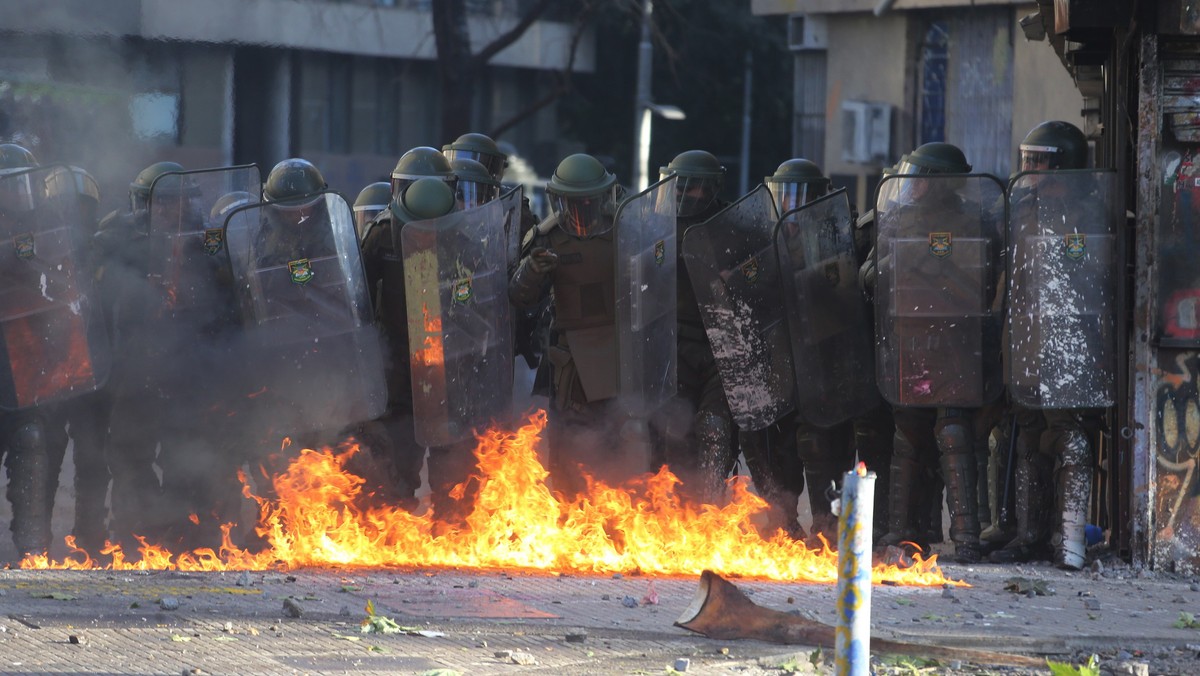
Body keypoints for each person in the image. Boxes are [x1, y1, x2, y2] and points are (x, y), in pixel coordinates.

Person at [869, 142, 1004, 563]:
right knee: (909, 433)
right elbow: (871, 275)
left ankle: (965, 535)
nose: (915, 186)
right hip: (911, 340)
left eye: (922, 178)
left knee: (952, 433)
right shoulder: (897, 218)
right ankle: (902, 531)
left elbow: (991, 276)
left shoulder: (975, 219)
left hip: (956, 342)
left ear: (940, 183)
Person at [990, 121, 1113, 569]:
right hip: (1024, 344)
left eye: (1039, 161)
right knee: (1026, 438)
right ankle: (1029, 536)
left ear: (1065, 167)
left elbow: (1100, 281)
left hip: (1073, 345)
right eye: (1027, 160)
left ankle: (1070, 540)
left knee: (1071, 440)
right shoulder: (1017, 208)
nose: (1030, 170)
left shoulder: (1094, 213)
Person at [509, 153, 653, 498]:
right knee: (567, 445)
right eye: (573, 204)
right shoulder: (546, 237)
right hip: (570, 358)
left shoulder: (628, 230)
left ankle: (617, 517)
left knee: (620, 440)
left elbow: (655, 286)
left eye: (588, 203)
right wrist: (532, 271)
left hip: (620, 353)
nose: (581, 212)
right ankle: (570, 515)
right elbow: (519, 297)